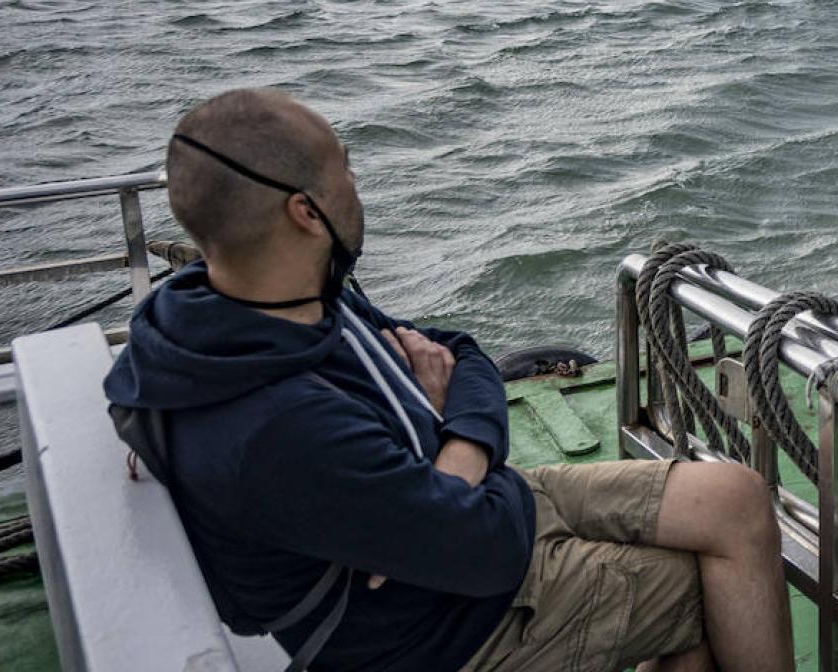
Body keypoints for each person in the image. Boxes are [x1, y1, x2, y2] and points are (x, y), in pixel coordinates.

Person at [104, 88, 793, 672]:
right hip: (440, 625)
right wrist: (450, 468)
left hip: (466, 511)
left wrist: (452, 463)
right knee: (708, 592)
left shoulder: (259, 300)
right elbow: (486, 555)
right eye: (343, 168)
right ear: (304, 212)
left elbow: (462, 354)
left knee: (734, 497)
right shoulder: (278, 423)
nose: (355, 183)